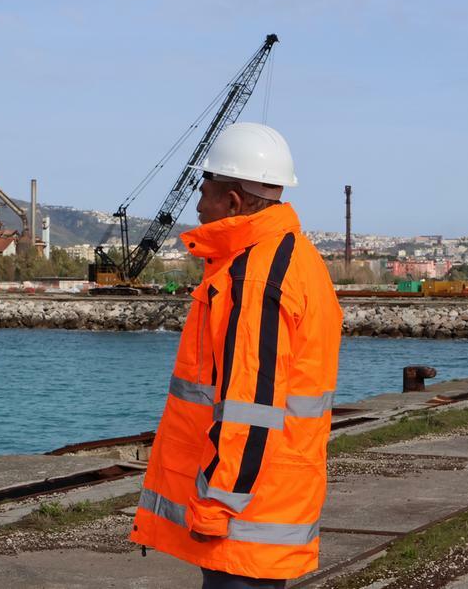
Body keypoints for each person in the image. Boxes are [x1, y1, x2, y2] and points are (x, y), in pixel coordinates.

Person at [130, 122, 343, 588]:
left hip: (243, 517)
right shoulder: (295, 258)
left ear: (232, 202)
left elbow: (251, 407)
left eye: (203, 190)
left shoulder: (255, 278)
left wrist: (216, 505)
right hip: (269, 500)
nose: (196, 204)